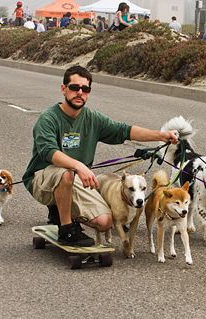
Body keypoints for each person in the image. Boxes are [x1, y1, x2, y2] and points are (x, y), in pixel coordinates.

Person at [22, 65, 179, 247]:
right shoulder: (48, 119)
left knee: (105, 223)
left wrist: (161, 136)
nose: (79, 92)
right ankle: (66, 229)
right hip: (42, 179)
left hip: (75, 179)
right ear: (63, 89)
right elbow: (50, 152)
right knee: (66, 173)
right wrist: (79, 166)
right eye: (74, 88)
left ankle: (60, 209)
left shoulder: (92, 118)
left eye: (85, 89)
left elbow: (124, 130)